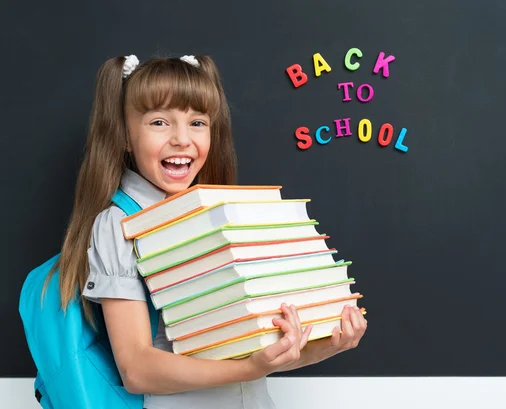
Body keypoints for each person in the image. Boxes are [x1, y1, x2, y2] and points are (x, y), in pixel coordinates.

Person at [56, 53, 367, 409]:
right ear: (126, 136)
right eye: (160, 122)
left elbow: (263, 357)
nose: (182, 139)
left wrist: (326, 345)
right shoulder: (119, 224)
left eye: (198, 123)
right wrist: (248, 369)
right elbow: (137, 369)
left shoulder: (218, 211)